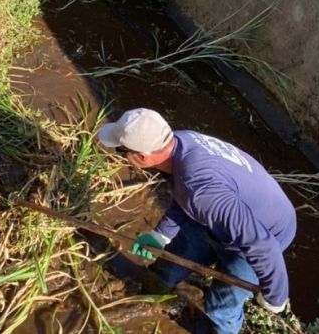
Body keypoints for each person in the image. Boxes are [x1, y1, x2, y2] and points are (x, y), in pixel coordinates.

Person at [98, 108, 296, 334]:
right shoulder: (179, 141)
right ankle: (154, 291)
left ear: (142, 157)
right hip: (232, 209)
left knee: (221, 307)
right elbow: (184, 193)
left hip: (266, 231)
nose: (121, 155)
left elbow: (261, 245)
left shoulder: (201, 191)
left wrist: (275, 296)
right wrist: (160, 234)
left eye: (122, 151)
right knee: (169, 264)